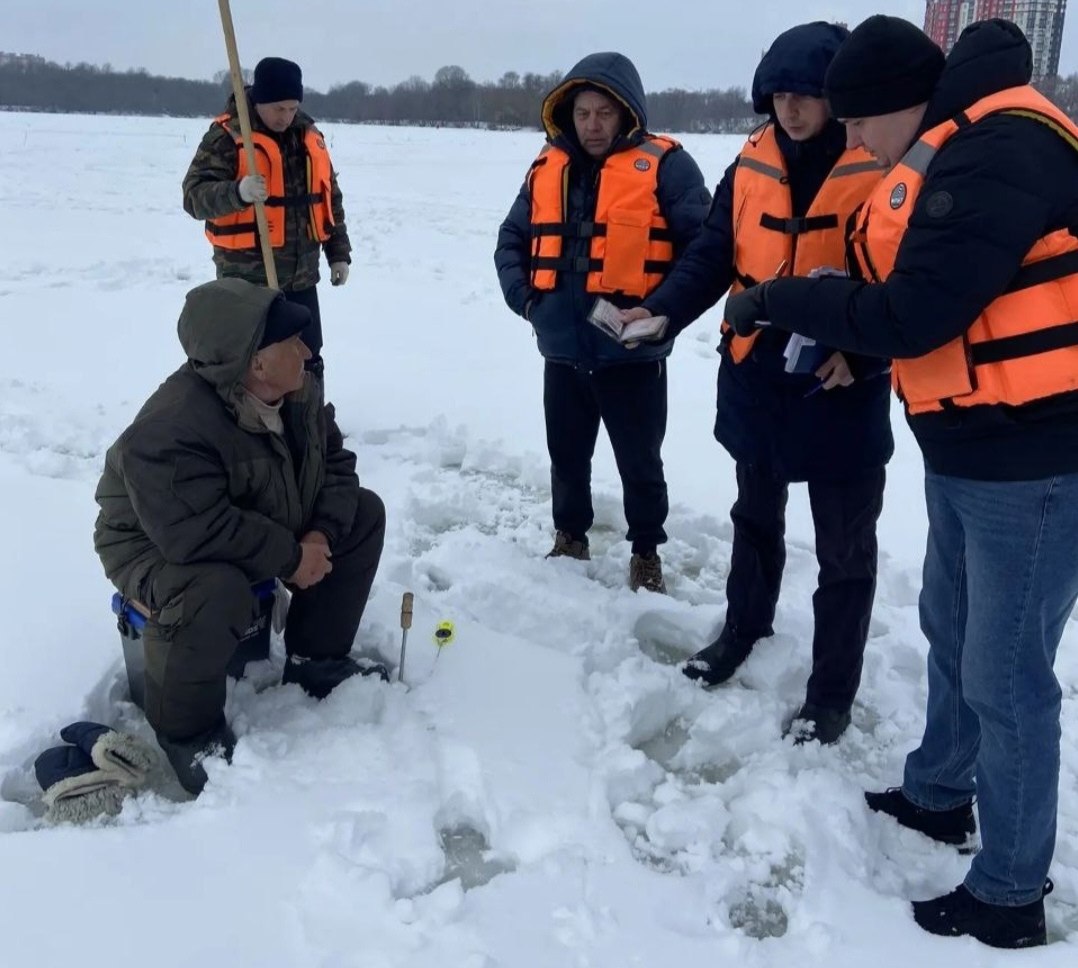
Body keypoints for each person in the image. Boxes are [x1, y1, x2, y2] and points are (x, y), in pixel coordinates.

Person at [723, 15, 1078, 948]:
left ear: (897, 107)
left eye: (859, 124)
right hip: (974, 442)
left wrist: (786, 298)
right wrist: (844, 330)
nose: (855, 144)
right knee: (952, 630)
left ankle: (1009, 892)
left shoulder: (999, 148)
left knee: (1007, 678)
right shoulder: (961, 143)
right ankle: (939, 792)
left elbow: (918, 309)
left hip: (1035, 459)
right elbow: (945, 297)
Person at [620, 22, 892, 744]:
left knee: (845, 549)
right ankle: (742, 629)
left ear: (836, 97)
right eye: (778, 96)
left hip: (840, 383)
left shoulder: (882, 163)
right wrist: (662, 310)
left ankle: (831, 692)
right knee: (754, 519)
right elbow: (712, 254)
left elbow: (912, 288)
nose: (791, 110)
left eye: (805, 95)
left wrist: (866, 358)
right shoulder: (749, 164)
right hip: (756, 372)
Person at [94, 278, 386, 795]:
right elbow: (197, 532)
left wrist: (317, 536)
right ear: (255, 363)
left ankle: (314, 660)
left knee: (360, 516)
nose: (306, 349)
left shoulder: (298, 391)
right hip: (154, 542)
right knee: (215, 589)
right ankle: (187, 731)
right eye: (292, 342)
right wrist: (291, 556)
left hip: (254, 516)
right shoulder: (170, 430)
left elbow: (336, 467)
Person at [494, 52, 711, 592]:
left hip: (630, 355)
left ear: (627, 115)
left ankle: (646, 552)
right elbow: (510, 240)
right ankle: (570, 537)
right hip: (562, 350)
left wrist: (661, 311)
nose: (591, 125)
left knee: (641, 462)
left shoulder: (667, 167)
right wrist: (526, 300)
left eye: (604, 114)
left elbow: (706, 253)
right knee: (566, 456)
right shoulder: (546, 168)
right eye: (583, 113)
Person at [182, 56, 351, 379]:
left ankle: (308, 427)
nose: (286, 117)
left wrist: (338, 254)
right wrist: (238, 193)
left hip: (301, 276)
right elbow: (193, 198)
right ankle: (251, 428)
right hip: (247, 280)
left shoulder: (307, 136)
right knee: (253, 362)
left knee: (307, 357)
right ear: (259, 100)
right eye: (278, 108)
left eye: (292, 108)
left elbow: (329, 198)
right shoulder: (228, 137)